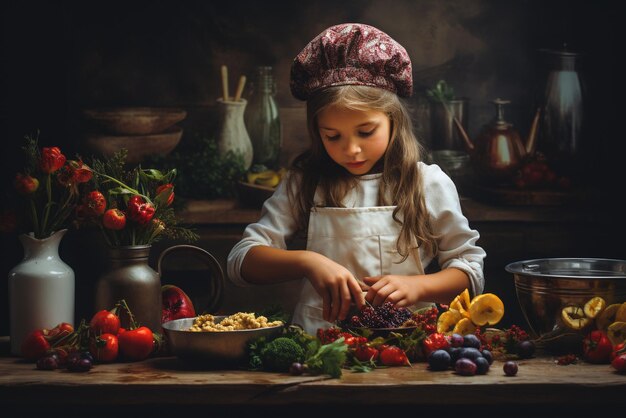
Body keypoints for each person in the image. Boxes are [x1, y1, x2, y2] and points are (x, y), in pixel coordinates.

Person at [227, 23, 486, 335]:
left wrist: (419, 287)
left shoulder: (427, 183)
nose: (351, 149)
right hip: (319, 343)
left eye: (366, 132)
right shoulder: (304, 183)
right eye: (332, 136)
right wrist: (308, 262)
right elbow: (241, 262)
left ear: (393, 121)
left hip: (408, 343)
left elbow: (470, 273)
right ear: (316, 131)